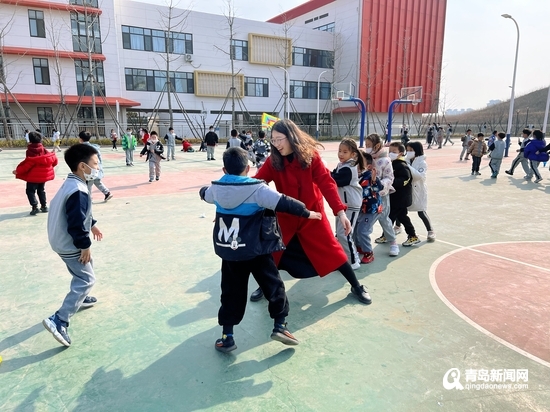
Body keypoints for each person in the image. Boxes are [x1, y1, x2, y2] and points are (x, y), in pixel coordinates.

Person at [199, 147, 323, 353]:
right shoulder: (257, 189)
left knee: (230, 292)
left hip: (231, 252)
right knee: (273, 286)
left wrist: (203, 191)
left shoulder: (216, 189)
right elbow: (284, 202)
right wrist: (307, 212)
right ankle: (280, 325)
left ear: (224, 169)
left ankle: (227, 337)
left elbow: (205, 194)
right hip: (257, 249)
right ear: (248, 168)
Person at [249, 119, 372, 304]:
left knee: (334, 252)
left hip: (313, 216)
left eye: (279, 139)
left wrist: (340, 212)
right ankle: (265, 285)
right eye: (273, 140)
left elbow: (327, 183)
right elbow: (257, 183)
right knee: (273, 254)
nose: (276, 144)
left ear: (291, 137)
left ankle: (356, 286)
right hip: (286, 217)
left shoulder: (310, 157)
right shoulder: (273, 161)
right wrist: (232, 202)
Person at [43, 144, 103, 347]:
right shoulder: (79, 190)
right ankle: (59, 319)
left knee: (85, 269)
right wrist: (84, 246)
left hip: (59, 238)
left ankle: (81, 298)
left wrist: (92, 224)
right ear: (82, 166)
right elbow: (76, 223)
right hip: (69, 243)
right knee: (86, 279)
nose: (98, 167)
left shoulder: (72, 182)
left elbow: (80, 213)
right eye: (95, 163)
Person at [330, 138, 364, 270]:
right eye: (340, 151)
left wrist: (321, 171)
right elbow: (332, 175)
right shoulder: (342, 165)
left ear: (353, 154)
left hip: (351, 204)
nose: (341, 154)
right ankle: (345, 258)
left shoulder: (349, 168)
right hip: (343, 205)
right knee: (340, 233)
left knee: (344, 233)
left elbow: (335, 179)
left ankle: (353, 261)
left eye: (345, 152)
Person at [394, 141, 436, 242]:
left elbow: (419, 176)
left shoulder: (422, 163)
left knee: (421, 211)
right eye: (407, 150)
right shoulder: (405, 160)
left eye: (411, 150)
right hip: (406, 190)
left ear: (417, 150)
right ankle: (397, 226)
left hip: (418, 190)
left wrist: (407, 167)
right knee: (401, 210)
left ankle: (430, 230)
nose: (409, 152)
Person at [366, 134, 400, 257]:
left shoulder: (385, 160)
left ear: (377, 146)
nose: (367, 147)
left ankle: (393, 243)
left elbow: (389, 177)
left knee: (384, 218)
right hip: (367, 194)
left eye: (369, 145)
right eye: (366, 145)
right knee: (366, 219)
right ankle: (362, 244)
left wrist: (380, 185)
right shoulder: (366, 159)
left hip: (381, 195)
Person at [12, 131, 58, 215]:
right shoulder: (43, 149)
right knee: (41, 190)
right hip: (43, 176)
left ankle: (34, 207)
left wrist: (17, 171)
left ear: (30, 140)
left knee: (30, 191)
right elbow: (53, 160)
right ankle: (44, 206)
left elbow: (28, 164)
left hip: (33, 176)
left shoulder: (30, 150)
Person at [354, 152, 383, 264]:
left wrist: (375, 180)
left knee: (363, 230)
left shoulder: (370, 176)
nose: (356, 165)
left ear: (369, 166)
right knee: (356, 228)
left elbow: (379, 188)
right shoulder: (357, 176)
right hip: (362, 208)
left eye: (359, 163)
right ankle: (360, 246)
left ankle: (368, 253)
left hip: (371, 209)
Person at [387, 142, 418, 246]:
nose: (391, 153)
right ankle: (387, 235)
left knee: (395, 217)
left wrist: (392, 182)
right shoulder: (392, 163)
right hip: (395, 197)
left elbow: (405, 179)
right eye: (390, 151)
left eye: (394, 151)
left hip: (401, 198)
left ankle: (412, 236)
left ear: (400, 153)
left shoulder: (402, 165)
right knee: (396, 217)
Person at [79, 131, 113, 201]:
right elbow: (99, 158)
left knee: (88, 185)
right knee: (97, 181)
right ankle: (107, 193)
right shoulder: (94, 147)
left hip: (89, 170)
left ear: (81, 139)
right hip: (97, 168)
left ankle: (88, 199)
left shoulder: (82, 149)